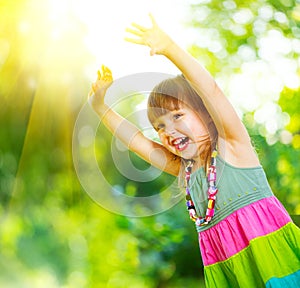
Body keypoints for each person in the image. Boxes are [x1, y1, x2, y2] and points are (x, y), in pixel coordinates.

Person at [88, 14, 300, 288]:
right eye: (160, 126)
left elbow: (210, 89)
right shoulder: (185, 170)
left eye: (177, 116)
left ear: (205, 113)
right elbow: (137, 140)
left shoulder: (232, 147)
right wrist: (100, 107)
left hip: (278, 266)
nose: (169, 131)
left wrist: (170, 49)